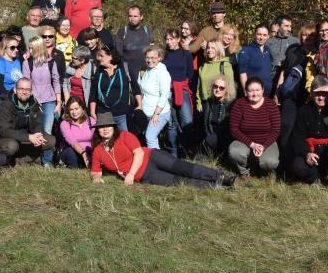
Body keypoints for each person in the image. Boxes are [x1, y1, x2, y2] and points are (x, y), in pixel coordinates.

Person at [90, 113, 235, 188]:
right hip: (146, 175)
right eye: (101, 127)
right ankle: (215, 186)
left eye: (108, 125)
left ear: (113, 127)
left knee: (184, 168)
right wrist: (96, 178)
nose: (105, 129)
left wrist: (131, 174)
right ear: (97, 130)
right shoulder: (97, 150)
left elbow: (139, 153)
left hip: (152, 157)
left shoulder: (124, 135)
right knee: (178, 182)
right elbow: (95, 170)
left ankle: (222, 177)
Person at [275, 25, 317, 171]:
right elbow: (283, 72)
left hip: (309, 100)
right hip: (291, 97)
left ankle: (303, 162)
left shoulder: (319, 53)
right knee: (286, 127)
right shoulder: (293, 50)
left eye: (311, 35)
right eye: (305, 35)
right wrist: (278, 91)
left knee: (304, 131)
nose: (307, 38)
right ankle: (283, 162)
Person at [228, 77, 281, 180]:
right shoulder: (239, 104)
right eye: (251, 91)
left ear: (263, 90)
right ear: (246, 92)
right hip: (245, 141)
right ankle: (244, 170)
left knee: (270, 162)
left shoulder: (271, 105)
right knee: (234, 151)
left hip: (267, 141)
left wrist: (264, 146)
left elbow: (276, 130)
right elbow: (234, 129)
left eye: (257, 90)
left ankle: (267, 171)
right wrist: (252, 145)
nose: (254, 94)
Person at [0, 78, 57, 165]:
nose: (24, 92)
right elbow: (4, 131)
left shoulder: (34, 104)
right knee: (11, 146)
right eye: (21, 89)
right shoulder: (5, 105)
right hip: (8, 138)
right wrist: (28, 137)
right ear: (15, 90)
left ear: (31, 91)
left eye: (27, 89)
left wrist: (38, 135)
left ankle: (22, 159)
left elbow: (38, 123)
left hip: (27, 138)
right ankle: (7, 161)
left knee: (50, 140)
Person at [23, 36, 62, 166]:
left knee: (47, 130)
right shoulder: (27, 63)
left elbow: (56, 81)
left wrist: (58, 102)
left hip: (49, 101)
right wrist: (34, 101)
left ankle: (47, 161)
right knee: (36, 131)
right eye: (29, 47)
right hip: (34, 102)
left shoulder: (51, 63)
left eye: (32, 47)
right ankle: (34, 157)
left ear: (39, 48)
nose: (30, 50)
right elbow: (26, 83)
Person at [89, 45, 141, 131]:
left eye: (102, 56)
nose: (99, 58)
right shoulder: (98, 72)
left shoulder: (124, 68)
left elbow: (135, 87)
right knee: (107, 140)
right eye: (98, 56)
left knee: (125, 139)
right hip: (104, 114)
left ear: (110, 56)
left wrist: (139, 105)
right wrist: (92, 112)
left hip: (123, 114)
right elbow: (93, 93)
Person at [163, 29, 195, 155]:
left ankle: (186, 149)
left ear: (177, 39)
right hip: (167, 92)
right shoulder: (164, 55)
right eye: (167, 39)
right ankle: (173, 151)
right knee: (171, 123)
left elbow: (190, 72)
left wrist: (184, 83)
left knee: (187, 121)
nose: (169, 42)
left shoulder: (185, 53)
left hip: (182, 89)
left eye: (172, 39)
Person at [137, 44, 173, 152]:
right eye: (147, 57)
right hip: (146, 112)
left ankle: (157, 162)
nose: (150, 60)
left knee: (150, 137)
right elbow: (141, 89)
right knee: (149, 137)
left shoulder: (162, 72)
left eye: (153, 57)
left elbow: (164, 94)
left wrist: (156, 113)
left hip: (160, 113)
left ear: (159, 58)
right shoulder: (144, 70)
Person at [195, 40, 236, 112]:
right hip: (205, 104)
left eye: (213, 48)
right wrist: (198, 102)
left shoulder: (225, 65)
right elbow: (199, 86)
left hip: (220, 104)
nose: (210, 50)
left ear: (218, 49)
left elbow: (231, 87)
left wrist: (228, 104)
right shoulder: (203, 65)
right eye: (208, 48)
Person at [114, 4, 154, 78]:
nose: (132, 19)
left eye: (135, 16)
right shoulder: (122, 32)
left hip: (145, 72)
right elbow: (118, 54)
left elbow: (153, 52)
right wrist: (125, 71)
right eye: (130, 16)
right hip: (128, 73)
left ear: (141, 17)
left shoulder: (147, 31)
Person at [58, 96, 95, 168]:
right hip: (73, 151)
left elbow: (96, 137)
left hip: (89, 150)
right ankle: (74, 168)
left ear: (82, 108)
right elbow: (72, 141)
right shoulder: (65, 123)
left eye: (76, 109)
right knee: (70, 153)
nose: (74, 112)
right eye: (71, 109)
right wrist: (83, 153)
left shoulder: (90, 121)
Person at [202, 75, 235, 155]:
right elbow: (205, 123)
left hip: (224, 138)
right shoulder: (208, 102)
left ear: (226, 90)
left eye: (221, 88)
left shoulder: (231, 104)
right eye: (215, 86)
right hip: (210, 136)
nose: (217, 89)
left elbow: (228, 129)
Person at [237, 25, 273, 96]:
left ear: (268, 36)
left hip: (267, 94)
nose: (261, 37)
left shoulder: (268, 51)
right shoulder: (246, 50)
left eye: (264, 35)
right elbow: (242, 72)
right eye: (259, 34)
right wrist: (246, 91)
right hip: (252, 94)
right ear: (254, 35)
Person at [267, 15, 298, 83]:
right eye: (286, 26)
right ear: (278, 26)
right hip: (271, 80)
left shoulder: (296, 42)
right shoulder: (268, 43)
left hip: (289, 81)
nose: (289, 29)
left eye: (290, 26)